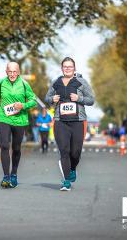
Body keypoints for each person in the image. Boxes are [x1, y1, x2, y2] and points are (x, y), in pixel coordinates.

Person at [45, 57, 94, 191]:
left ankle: (73, 168)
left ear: (74, 68)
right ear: (62, 68)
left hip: (78, 121)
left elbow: (91, 100)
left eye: (70, 66)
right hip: (60, 121)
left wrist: (79, 98)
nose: (67, 68)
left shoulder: (81, 82)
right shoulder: (56, 82)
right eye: (65, 67)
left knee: (75, 152)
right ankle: (66, 181)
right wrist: (52, 99)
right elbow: (47, 98)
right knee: (64, 151)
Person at [0, 62, 36, 188]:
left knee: (16, 148)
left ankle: (14, 174)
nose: (12, 74)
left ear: (18, 72)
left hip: (20, 120)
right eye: (10, 71)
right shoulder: (2, 82)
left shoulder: (24, 84)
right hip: (4, 118)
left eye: (15, 72)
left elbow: (33, 101)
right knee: (4, 145)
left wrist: (23, 105)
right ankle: (6, 177)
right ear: (6, 71)